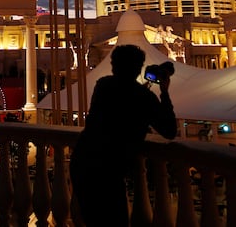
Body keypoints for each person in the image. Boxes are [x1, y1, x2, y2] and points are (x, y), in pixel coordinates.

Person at [69, 44, 177, 226]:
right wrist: (164, 92)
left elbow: (121, 99)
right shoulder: (144, 97)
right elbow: (169, 130)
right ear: (138, 67)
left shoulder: (103, 85)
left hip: (83, 162)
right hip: (109, 172)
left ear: (114, 66)